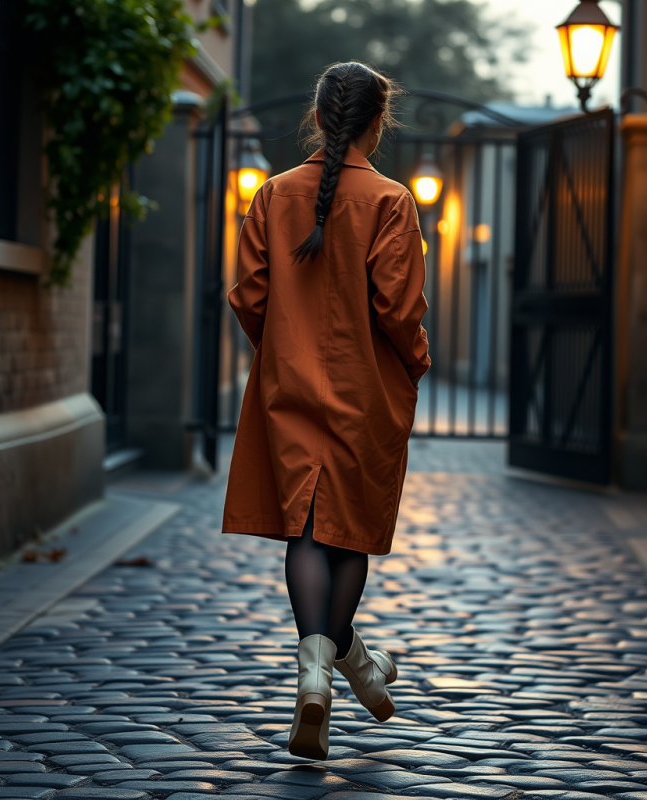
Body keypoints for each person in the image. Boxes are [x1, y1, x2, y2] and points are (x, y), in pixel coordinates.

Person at [222, 61, 431, 760]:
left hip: (290, 384)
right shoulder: (391, 201)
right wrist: (418, 359)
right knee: (347, 532)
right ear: (379, 122)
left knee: (305, 532)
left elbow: (249, 296)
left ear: (316, 118)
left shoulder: (272, 195)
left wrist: (282, 347)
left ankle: (323, 675)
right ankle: (342, 668)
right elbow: (399, 309)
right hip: (365, 390)